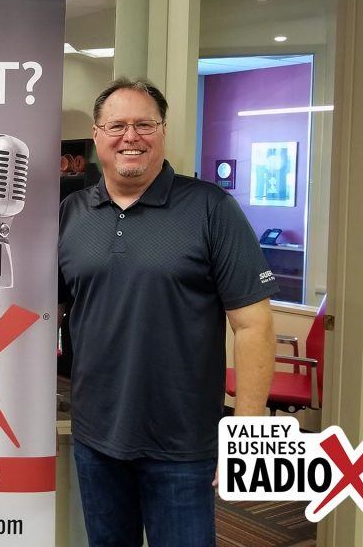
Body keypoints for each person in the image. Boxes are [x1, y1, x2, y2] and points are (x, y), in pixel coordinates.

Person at [58, 78, 277, 546]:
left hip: (183, 443)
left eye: (144, 124)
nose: (130, 136)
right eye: (116, 125)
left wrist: (250, 433)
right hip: (96, 436)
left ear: (163, 131)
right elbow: (50, 312)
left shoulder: (210, 208)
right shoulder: (71, 213)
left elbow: (254, 323)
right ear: (96, 135)